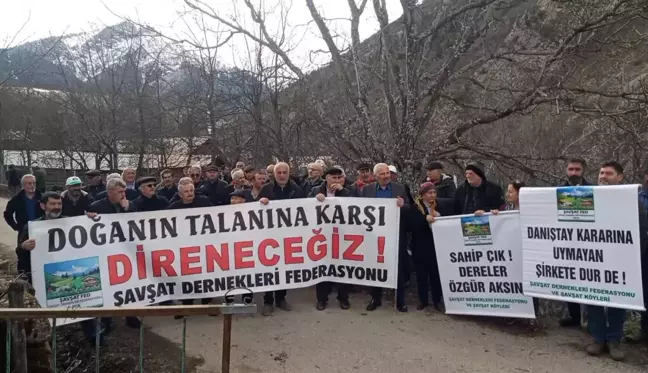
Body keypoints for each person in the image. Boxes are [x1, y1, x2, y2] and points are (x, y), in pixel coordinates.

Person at [585, 161, 647, 361]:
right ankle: (597, 338)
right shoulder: (588, 196)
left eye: (608, 173)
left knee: (617, 301)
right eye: (601, 173)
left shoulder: (630, 199)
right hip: (593, 260)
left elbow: (641, 231)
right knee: (592, 298)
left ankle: (614, 341)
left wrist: (636, 257)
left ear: (620, 176)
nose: (603, 176)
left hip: (620, 261)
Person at [358, 163, 408, 312]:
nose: (386, 176)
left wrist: (403, 205)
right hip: (374, 235)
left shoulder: (400, 188)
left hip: (395, 234)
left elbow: (410, 208)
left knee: (397, 268)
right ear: (375, 176)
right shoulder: (367, 190)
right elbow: (360, 210)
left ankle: (400, 301)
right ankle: (375, 298)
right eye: (382, 174)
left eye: (387, 173)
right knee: (375, 267)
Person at [258, 162, 305, 316]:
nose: (282, 175)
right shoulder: (266, 189)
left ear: (289, 173)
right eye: (279, 173)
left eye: (285, 172)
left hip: (287, 237)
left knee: (284, 269)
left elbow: (303, 211)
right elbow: (255, 212)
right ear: (274, 174)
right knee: (268, 269)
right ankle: (268, 301)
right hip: (268, 237)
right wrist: (261, 204)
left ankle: (281, 298)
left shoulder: (296, 190)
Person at [311, 167, 352, 310]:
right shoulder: (316, 190)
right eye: (333, 178)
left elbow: (354, 207)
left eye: (339, 178)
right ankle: (322, 299)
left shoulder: (347, 191)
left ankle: (343, 298)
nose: (336, 180)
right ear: (326, 178)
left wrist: (341, 192)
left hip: (341, 235)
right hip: (321, 236)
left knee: (342, 267)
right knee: (322, 267)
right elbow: (304, 207)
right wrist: (315, 200)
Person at [559, 158, 591, 329]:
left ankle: (589, 320)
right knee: (569, 279)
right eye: (570, 169)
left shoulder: (592, 189)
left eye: (577, 169)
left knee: (588, 281)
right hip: (566, 243)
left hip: (588, 243)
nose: (573, 173)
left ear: (583, 171)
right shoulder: (559, 191)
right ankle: (574, 317)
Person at [410, 182, 451, 311]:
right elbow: (412, 226)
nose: (433, 195)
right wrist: (424, 219)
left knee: (435, 274)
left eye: (434, 192)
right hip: (420, 245)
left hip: (436, 245)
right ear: (422, 195)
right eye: (430, 193)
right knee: (421, 275)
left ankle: (437, 300)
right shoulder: (415, 207)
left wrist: (441, 217)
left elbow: (449, 221)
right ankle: (423, 301)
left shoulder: (440, 205)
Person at [16, 192, 63, 284]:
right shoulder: (32, 227)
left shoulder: (71, 223)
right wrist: (23, 247)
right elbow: (19, 253)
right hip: (41, 274)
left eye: (59, 204)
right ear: (42, 206)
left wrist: (91, 218)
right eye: (53, 204)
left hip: (62, 268)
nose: (57, 207)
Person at [4, 174, 43, 243]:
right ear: (23, 185)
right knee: (23, 252)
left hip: (41, 230)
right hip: (24, 231)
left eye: (34, 183)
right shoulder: (16, 199)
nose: (32, 185)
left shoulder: (42, 197)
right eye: (29, 183)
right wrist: (15, 226)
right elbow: (7, 214)